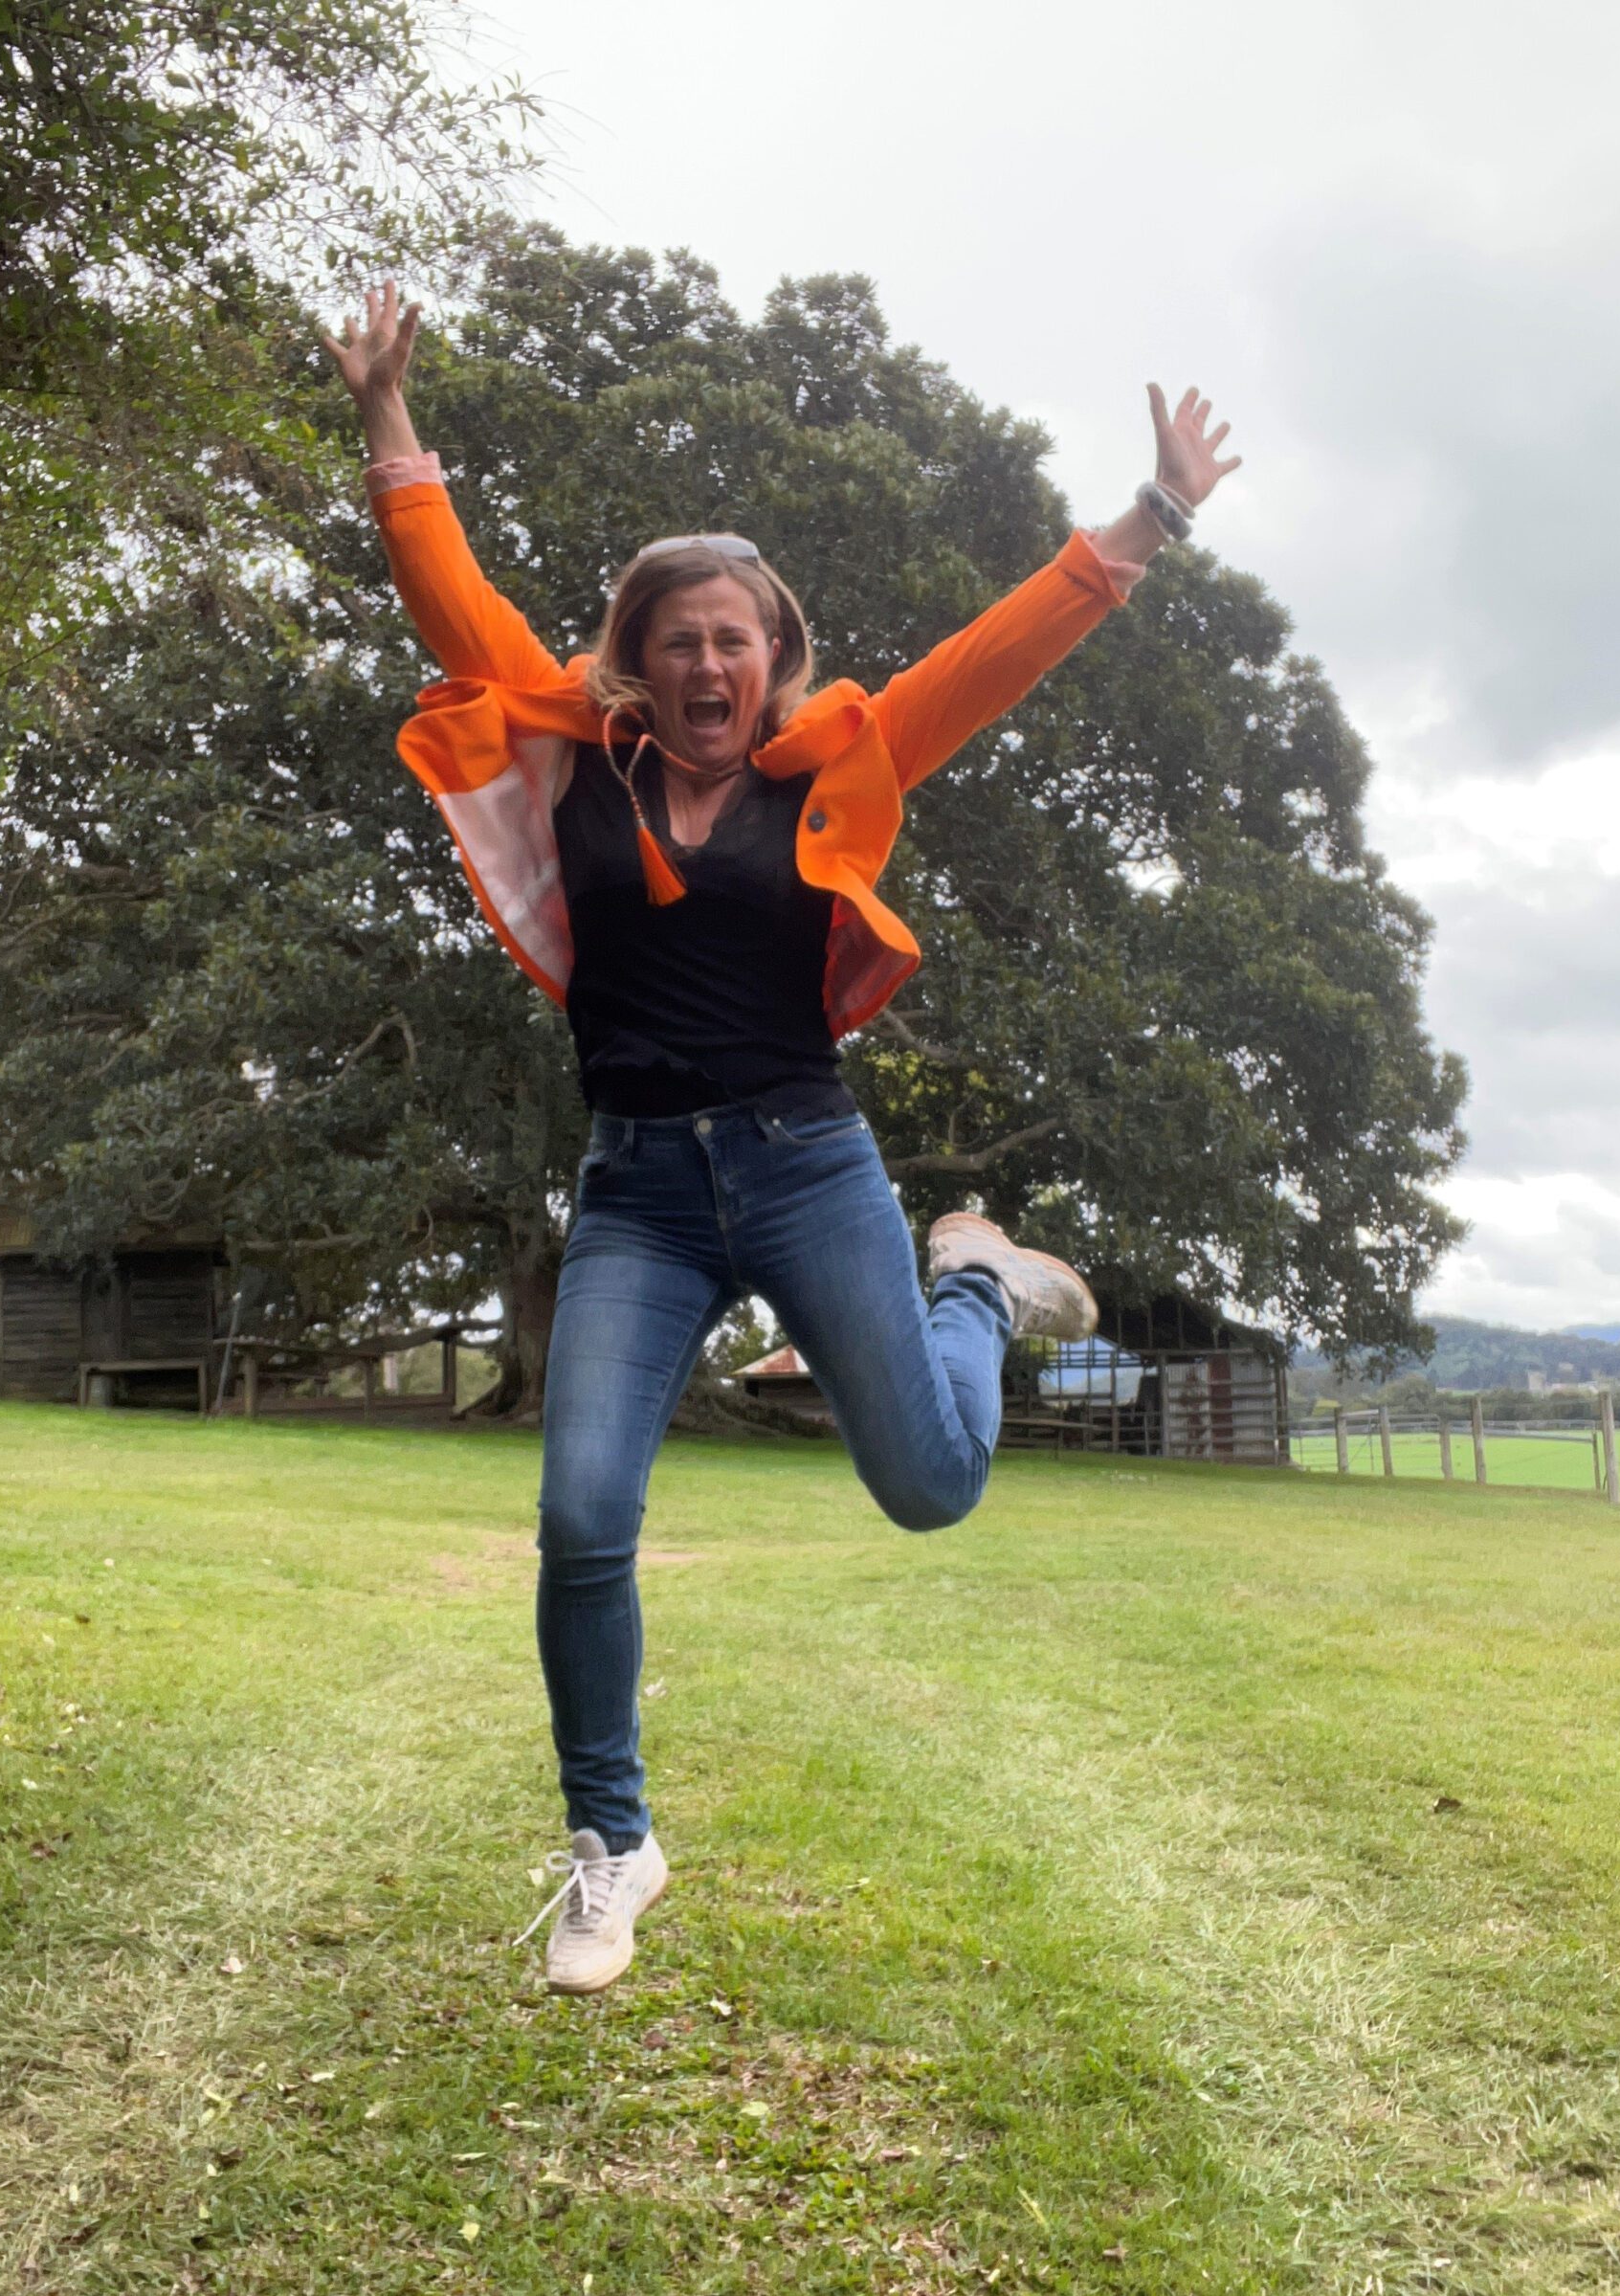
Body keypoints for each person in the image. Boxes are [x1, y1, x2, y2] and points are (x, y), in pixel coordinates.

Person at [323, 280, 1240, 1995]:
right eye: (674, 637)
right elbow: (456, 611)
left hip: (810, 1166)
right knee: (582, 1514)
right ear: (635, 660)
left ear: (774, 657)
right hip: (641, 1196)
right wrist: (388, 417)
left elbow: (1003, 647)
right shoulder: (574, 759)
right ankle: (613, 1846)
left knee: (930, 1486)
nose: (704, 662)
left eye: (733, 636)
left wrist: (1157, 515)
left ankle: (968, 1277)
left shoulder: (842, 764)